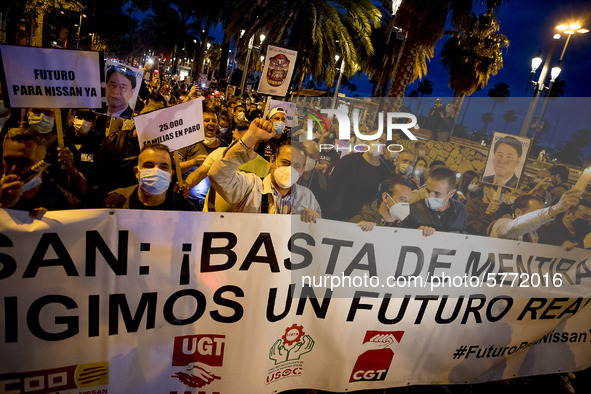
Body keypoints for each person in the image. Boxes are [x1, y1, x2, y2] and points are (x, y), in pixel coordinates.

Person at [208, 118, 321, 221]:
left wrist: (315, 220)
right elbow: (218, 175)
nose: (290, 170)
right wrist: (251, 137)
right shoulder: (250, 187)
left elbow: (318, 233)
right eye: (285, 162)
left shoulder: (308, 198)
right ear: (272, 161)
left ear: (302, 170)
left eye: (296, 166)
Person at [184, 119, 270, 212]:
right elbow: (199, 173)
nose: (235, 144)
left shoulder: (264, 165)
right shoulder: (220, 153)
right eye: (234, 139)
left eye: (242, 141)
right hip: (212, 217)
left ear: (254, 142)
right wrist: (186, 185)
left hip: (242, 221)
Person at [1, 125, 81, 215]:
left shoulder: (64, 201)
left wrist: (51, 220)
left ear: (42, 163)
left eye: (24, 162)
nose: (13, 169)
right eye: (8, 160)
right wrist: (3, 206)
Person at [104, 143, 195, 211]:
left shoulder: (185, 209)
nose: (156, 171)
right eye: (148, 165)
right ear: (137, 172)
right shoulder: (117, 203)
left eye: (163, 167)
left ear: (171, 175)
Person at [325, 132, 390, 221]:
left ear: (384, 146)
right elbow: (332, 187)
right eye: (374, 139)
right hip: (339, 216)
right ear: (367, 141)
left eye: (381, 140)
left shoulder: (385, 171)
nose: (377, 142)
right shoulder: (349, 160)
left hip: (366, 220)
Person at [349, 176, 435, 236]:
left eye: (408, 201)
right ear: (386, 197)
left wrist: (421, 235)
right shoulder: (362, 219)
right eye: (402, 199)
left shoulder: (406, 225)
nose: (406, 205)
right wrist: (355, 229)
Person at [488, 189, 583, 241]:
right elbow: (513, 227)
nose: (539, 217)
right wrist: (554, 209)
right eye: (535, 213)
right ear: (518, 212)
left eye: (540, 212)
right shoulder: (501, 224)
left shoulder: (533, 234)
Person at [403, 166, 466, 232]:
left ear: (451, 193)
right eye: (428, 191)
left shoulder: (460, 210)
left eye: (437, 193)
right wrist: (417, 233)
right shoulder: (413, 211)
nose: (430, 196)